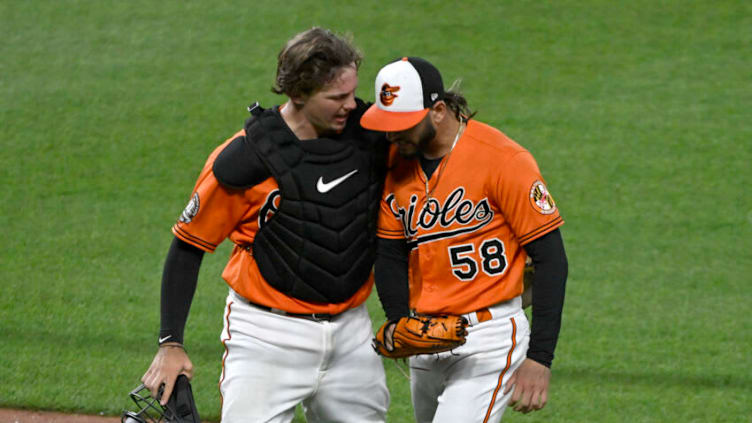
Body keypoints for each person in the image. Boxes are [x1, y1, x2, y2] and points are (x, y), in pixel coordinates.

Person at [140, 28, 390, 423]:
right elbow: (188, 247)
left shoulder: (371, 138)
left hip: (352, 335)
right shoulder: (247, 158)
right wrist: (170, 342)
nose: (352, 106)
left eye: (352, 92)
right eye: (337, 98)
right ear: (298, 95)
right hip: (266, 337)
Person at [360, 57, 568, 422]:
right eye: (387, 126)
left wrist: (540, 358)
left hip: (488, 337)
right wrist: (398, 321)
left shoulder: (503, 160)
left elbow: (552, 259)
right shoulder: (395, 163)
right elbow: (389, 252)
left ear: (438, 110)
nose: (392, 136)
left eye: (402, 125)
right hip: (423, 337)